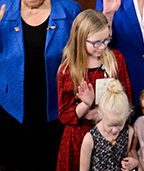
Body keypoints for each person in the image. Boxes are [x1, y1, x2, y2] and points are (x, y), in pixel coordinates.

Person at [0, 0, 81, 169]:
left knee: (51, 157)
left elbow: (80, 52)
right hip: (14, 98)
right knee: (18, 159)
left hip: (54, 96)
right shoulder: (3, 11)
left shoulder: (69, 10)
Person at [55, 9, 132, 171]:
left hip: (111, 134)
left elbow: (127, 101)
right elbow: (64, 116)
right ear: (80, 39)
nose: (103, 47)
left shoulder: (116, 59)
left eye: (106, 40)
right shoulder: (68, 70)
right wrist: (85, 104)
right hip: (79, 137)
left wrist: (99, 114)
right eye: (97, 43)